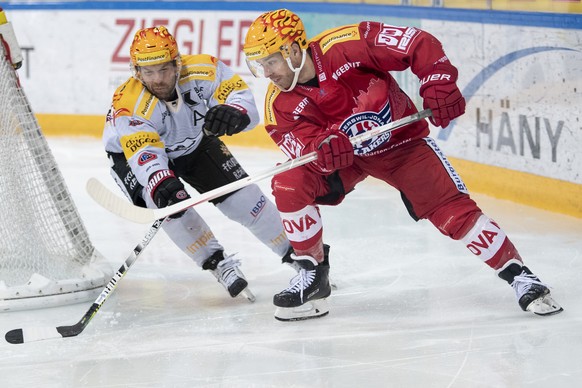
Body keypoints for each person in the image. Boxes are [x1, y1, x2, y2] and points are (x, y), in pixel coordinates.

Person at [243, 9, 563, 320]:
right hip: (348, 160)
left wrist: (437, 82)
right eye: (261, 65)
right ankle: (312, 273)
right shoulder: (279, 106)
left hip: (402, 146)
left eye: (270, 61)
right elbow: (303, 148)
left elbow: (417, 42)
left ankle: (520, 276)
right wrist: (322, 149)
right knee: (289, 182)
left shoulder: (347, 44)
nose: (267, 73)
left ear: (293, 49)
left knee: (452, 213)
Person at [103, 26, 295, 301]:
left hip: (194, 142)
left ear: (177, 63)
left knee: (245, 200)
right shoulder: (129, 103)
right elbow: (144, 152)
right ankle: (218, 264)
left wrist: (236, 113)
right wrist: (160, 181)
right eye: (148, 72)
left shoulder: (205, 69)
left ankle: (297, 254)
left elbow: (242, 101)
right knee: (172, 206)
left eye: (164, 69)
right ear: (136, 71)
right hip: (131, 157)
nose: (157, 79)